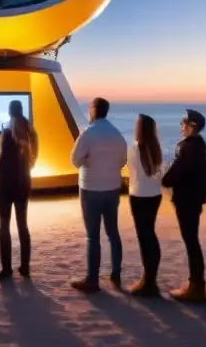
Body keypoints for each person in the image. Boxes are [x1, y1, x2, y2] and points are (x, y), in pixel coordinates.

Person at [69, 97, 127, 293]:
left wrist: (88, 159)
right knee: (113, 233)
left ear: (93, 110)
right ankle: (116, 274)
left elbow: (75, 161)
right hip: (112, 189)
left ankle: (92, 280)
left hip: (91, 189)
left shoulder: (88, 134)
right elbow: (122, 161)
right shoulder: (117, 134)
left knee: (93, 236)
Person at [161, 108, 206, 303]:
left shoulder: (188, 147)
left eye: (184, 124)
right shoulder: (202, 147)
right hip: (195, 199)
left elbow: (172, 175)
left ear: (193, 127)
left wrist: (166, 179)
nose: (181, 127)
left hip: (186, 199)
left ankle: (196, 286)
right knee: (192, 241)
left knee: (191, 242)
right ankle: (196, 284)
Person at [0, 99, 38, 281]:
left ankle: (6, 268)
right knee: (22, 224)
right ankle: (25, 267)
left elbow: (0, 161)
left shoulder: (6, 132)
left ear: (10, 112)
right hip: (23, 182)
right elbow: (33, 160)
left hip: (5, 185)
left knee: (4, 225)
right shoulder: (31, 133)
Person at [127, 114, 164, 297]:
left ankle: (147, 282)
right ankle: (151, 278)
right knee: (150, 234)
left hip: (139, 195)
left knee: (144, 238)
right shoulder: (156, 147)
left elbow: (130, 170)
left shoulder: (134, 148)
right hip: (155, 195)